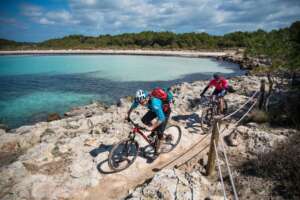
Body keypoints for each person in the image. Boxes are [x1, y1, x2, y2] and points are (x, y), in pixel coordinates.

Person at [126, 88, 173, 155]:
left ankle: (158, 149)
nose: (141, 104)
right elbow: (133, 106)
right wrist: (128, 114)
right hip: (154, 110)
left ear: (146, 98)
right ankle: (154, 133)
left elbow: (161, 118)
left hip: (165, 110)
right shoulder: (139, 99)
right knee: (144, 120)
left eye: (142, 102)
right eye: (140, 102)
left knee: (159, 131)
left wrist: (152, 127)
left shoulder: (154, 103)